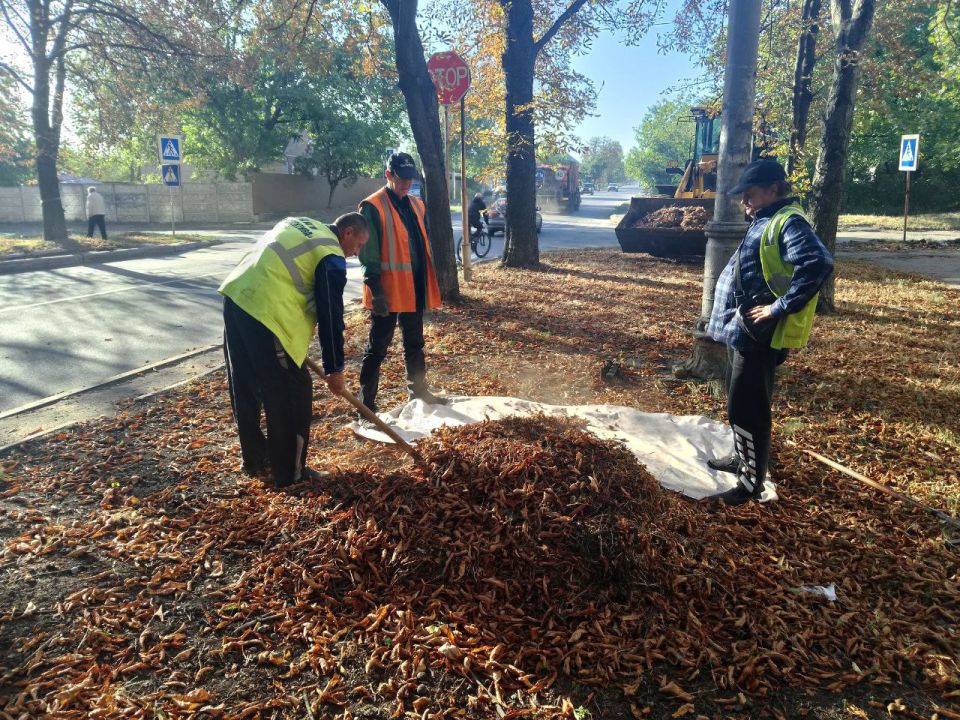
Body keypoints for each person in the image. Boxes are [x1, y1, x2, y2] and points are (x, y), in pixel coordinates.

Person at [704, 159, 834, 506]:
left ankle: (750, 483)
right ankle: (740, 458)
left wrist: (778, 307)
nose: (744, 202)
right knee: (738, 402)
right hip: (743, 328)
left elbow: (818, 263)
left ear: (773, 190)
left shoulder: (788, 222)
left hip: (759, 334)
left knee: (748, 409)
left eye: (750, 195)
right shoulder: (765, 218)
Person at [218, 213, 369, 488]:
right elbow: (330, 316)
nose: (355, 253)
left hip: (236, 297)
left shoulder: (300, 223)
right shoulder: (330, 255)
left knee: (246, 386)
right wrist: (335, 369)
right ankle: (289, 474)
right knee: (293, 392)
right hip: (267, 314)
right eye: (358, 246)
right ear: (347, 233)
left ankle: (255, 461)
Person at [357, 152, 447, 415]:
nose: (407, 184)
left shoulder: (417, 205)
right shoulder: (372, 206)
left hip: (413, 287)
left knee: (415, 343)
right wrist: (376, 289)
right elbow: (368, 252)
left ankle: (418, 391)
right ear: (388, 175)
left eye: (410, 178)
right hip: (386, 290)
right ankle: (366, 404)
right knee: (377, 348)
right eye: (401, 178)